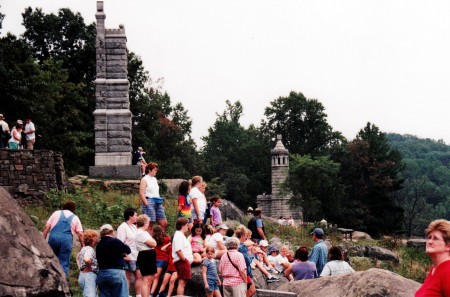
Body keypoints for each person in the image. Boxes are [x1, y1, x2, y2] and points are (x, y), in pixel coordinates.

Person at [43, 200, 84, 277]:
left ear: (64, 207)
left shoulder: (56, 213)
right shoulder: (75, 218)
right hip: (66, 240)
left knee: (51, 259)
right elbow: (80, 234)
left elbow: (47, 227)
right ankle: (63, 282)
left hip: (53, 238)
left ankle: (50, 278)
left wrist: (43, 239)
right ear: (73, 209)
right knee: (64, 262)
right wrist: (82, 245)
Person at [415, 219, 450, 297]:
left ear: (448, 246)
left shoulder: (448, 271)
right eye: (429, 237)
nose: (429, 241)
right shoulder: (434, 269)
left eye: (435, 238)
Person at [96, 224, 131, 297]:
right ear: (111, 232)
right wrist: (122, 254)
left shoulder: (99, 244)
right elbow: (128, 250)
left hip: (102, 273)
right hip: (116, 273)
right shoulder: (115, 241)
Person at [116, 208, 142, 297]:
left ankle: (138, 295)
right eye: (135, 215)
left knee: (139, 276)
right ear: (130, 216)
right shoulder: (122, 227)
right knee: (128, 276)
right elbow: (119, 243)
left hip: (137, 255)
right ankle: (125, 295)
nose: (137, 217)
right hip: (129, 256)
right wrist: (124, 255)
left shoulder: (134, 227)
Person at [139, 162, 168, 231]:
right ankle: (149, 240)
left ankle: (159, 238)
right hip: (149, 201)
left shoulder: (154, 179)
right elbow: (141, 193)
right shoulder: (144, 179)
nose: (156, 171)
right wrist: (146, 203)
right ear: (149, 170)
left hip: (157, 201)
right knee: (150, 223)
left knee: (164, 223)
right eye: (154, 170)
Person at [135, 214, 157, 297]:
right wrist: (153, 242)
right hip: (145, 255)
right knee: (146, 280)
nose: (148, 224)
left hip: (149, 255)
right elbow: (153, 243)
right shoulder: (140, 233)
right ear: (144, 223)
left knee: (150, 279)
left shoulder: (144, 232)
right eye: (147, 222)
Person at [172, 217, 193, 296]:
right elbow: (178, 250)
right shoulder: (178, 235)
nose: (188, 227)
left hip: (183, 261)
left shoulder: (180, 235)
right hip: (182, 261)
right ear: (182, 225)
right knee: (182, 282)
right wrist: (185, 260)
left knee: (183, 282)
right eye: (187, 225)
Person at [77, 229, 100, 297]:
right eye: (96, 236)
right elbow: (86, 259)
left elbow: (77, 258)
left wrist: (81, 269)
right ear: (92, 238)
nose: (98, 238)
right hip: (89, 276)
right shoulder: (89, 249)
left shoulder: (84, 248)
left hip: (83, 275)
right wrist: (89, 268)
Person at [150, 225, 171, 297]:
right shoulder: (167, 239)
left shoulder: (152, 239)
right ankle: (151, 294)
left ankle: (151, 293)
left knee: (153, 277)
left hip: (154, 259)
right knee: (156, 277)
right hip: (163, 260)